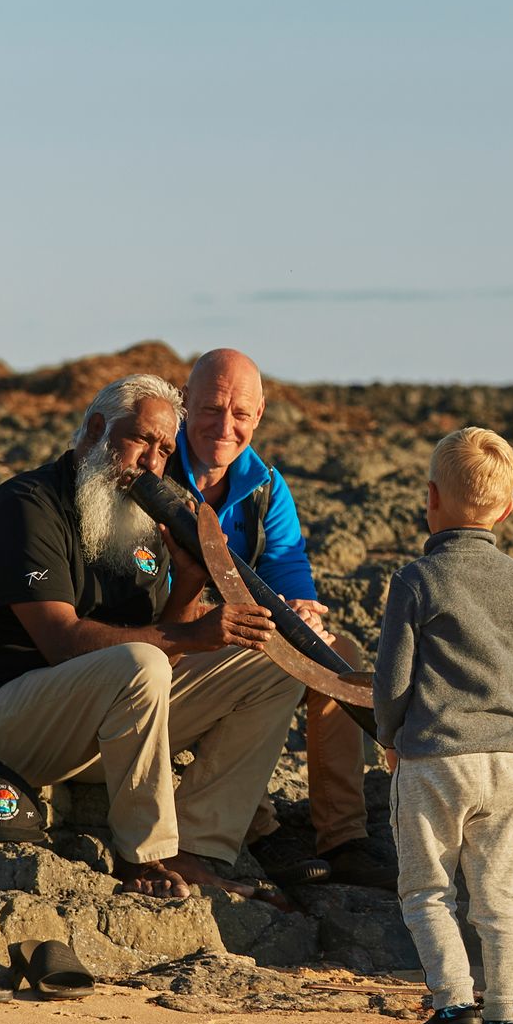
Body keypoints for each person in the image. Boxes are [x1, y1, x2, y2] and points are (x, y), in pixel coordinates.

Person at [0, 373, 303, 899]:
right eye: (141, 440)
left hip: (97, 728)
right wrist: (192, 633)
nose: (152, 461)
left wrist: (190, 582)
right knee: (140, 663)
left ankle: (198, 847)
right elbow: (62, 644)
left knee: (270, 661)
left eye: (165, 448)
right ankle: (145, 857)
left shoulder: (136, 523)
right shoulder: (26, 506)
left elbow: (161, 635)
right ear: (98, 428)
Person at [175, 348, 391, 888]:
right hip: (175, 639)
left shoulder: (265, 485)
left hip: (243, 633)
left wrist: (302, 610)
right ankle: (258, 829)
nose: (225, 426)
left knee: (336, 653)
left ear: (261, 415)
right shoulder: (157, 468)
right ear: (184, 403)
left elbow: (290, 570)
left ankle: (344, 839)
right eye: (210, 409)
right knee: (265, 657)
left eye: (241, 414)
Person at [375, 427, 513, 1024]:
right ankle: (507, 1022)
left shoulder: (415, 580)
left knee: (427, 891)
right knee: (502, 898)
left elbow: (393, 680)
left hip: (434, 759)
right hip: (507, 764)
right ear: (506, 510)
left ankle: (454, 1009)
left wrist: (388, 734)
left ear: (430, 499)